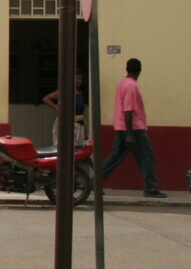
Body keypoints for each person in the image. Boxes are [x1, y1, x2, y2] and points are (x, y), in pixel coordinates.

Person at [101, 57, 165, 197]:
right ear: (140, 70)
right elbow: (128, 111)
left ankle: (95, 182)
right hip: (134, 129)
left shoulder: (122, 83)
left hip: (121, 127)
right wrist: (130, 134)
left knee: (114, 158)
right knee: (147, 157)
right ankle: (151, 188)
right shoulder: (131, 86)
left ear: (126, 69)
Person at [43, 72, 88, 148]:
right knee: (64, 147)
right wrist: (57, 108)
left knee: (78, 148)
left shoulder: (80, 93)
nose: (80, 81)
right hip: (66, 123)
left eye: (81, 79)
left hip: (79, 124)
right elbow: (46, 99)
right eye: (78, 78)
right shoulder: (64, 91)